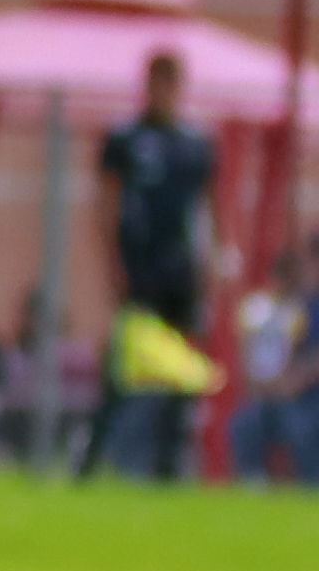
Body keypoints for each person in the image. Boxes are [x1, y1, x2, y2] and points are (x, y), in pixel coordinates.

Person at [75, 50, 222, 481]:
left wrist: (213, 261)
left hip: (180, 274)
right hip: (141, 274)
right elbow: (106, 204)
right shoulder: (125, 139)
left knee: (182, 373)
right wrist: (113, 266)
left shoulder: (196, 145)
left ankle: (168, 465)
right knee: (124, 371)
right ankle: (90, 458)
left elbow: (209, 208)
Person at [229, 245, 319, 483]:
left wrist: (292, 383)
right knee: (243, 425)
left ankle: (310, 486)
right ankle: (252, 484)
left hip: (304, 398)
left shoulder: (304, 311)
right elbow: (247, 357)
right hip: (268, 392)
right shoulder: (262, 309)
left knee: (304, 430)